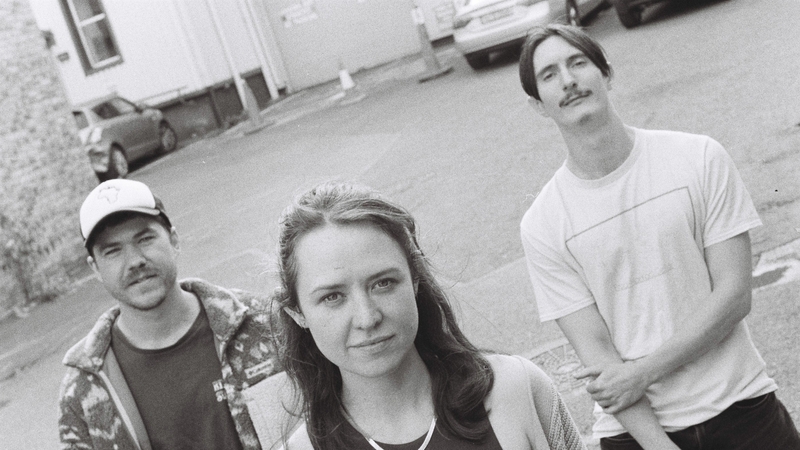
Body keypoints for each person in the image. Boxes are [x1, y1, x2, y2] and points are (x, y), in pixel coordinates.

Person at [518, 24, 800, 450]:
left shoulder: (698, 158)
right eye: (549, 74)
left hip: (741, 405)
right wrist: (658, 445)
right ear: (538, 104)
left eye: (578, 62)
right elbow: (596, 353)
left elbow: (735, 294)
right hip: (636, 431)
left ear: (606, 74)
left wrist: (642, 372)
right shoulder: (542, 223)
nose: (569, 80)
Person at [271, 181, 586, 450]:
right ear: (298, 313)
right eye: (332, 297)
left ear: (415, 279)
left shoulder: (516, 390)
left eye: (383, 283)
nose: (367, 319)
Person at [58, 179, 280, 450]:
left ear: (174, 240)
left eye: (145, 239)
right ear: (95, 268)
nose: (135, 261)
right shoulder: (84, 387)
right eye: (113, 251)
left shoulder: (261, 323)